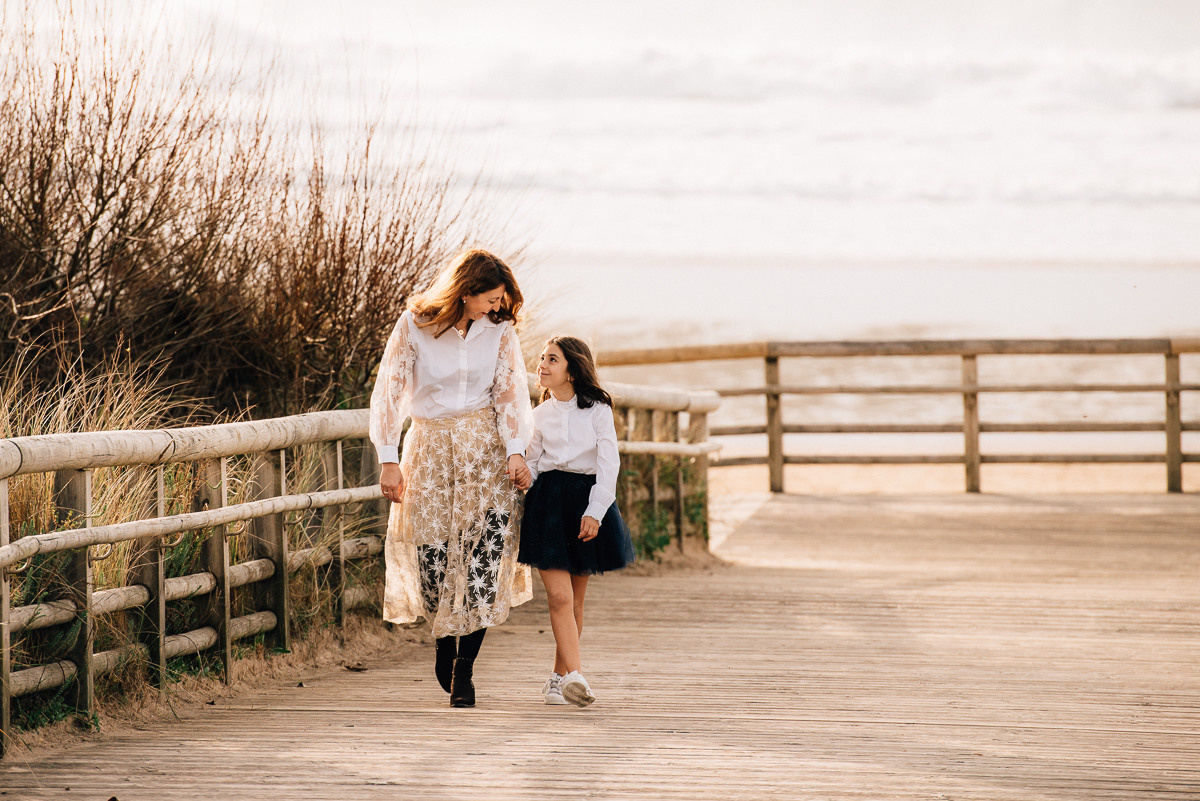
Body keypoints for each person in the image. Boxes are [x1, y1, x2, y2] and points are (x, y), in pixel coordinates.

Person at [369, 248, 534, 709]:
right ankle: (444, 641)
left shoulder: (499, 330)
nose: (497, 307)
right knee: (433, 560)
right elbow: (388, 392)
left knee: (486, 557)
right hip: (430, 452)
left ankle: (466, 667)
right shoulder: (415, 325)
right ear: (465, 291)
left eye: (501, 300)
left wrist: (516, 451)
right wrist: (388, 457)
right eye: (491, 298)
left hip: (485, 453)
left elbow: (510, 394)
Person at [519, 335, 636, 707]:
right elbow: (534, 464)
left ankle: (558, 679)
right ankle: (577, 676)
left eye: (552, 359)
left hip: (586, 503)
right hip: (548, 505)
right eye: (542, 358)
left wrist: (595, 512)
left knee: (575, 603)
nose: (542, 365)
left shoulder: (599, 410)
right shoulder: (537, 415)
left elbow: (609, 464)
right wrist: (522, 474)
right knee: (559, 596)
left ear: (572, 370)